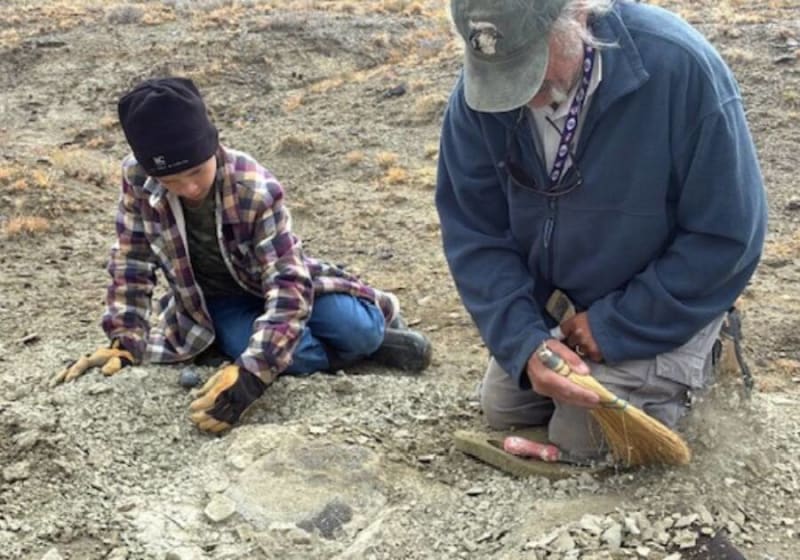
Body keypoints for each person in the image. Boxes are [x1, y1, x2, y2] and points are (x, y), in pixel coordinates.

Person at [437, 0, 766, 463]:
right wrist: (524, 340)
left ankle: (708, 350)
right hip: (562, 308)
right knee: (504, 408)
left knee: (585, 436)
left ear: (577, 16)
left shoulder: (679, 68)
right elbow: (475, 233)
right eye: (501, 71)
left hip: (659, 298)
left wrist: (618, 324)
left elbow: (730, 235)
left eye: (531, 65)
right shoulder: (479, 97)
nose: (519, 93)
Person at [53, 77, 432, 433]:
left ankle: (371, 343)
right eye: (172, 181)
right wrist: (125, 338)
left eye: (197, 172)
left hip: (270, 283)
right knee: (291, 356)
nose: (188, 188)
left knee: (360, 330)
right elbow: (131, 260)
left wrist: (251, 377)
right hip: (214, 302)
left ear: (213, 147)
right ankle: (345, 355)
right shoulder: (137, 179)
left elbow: (287, 283)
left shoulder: (254, 185)